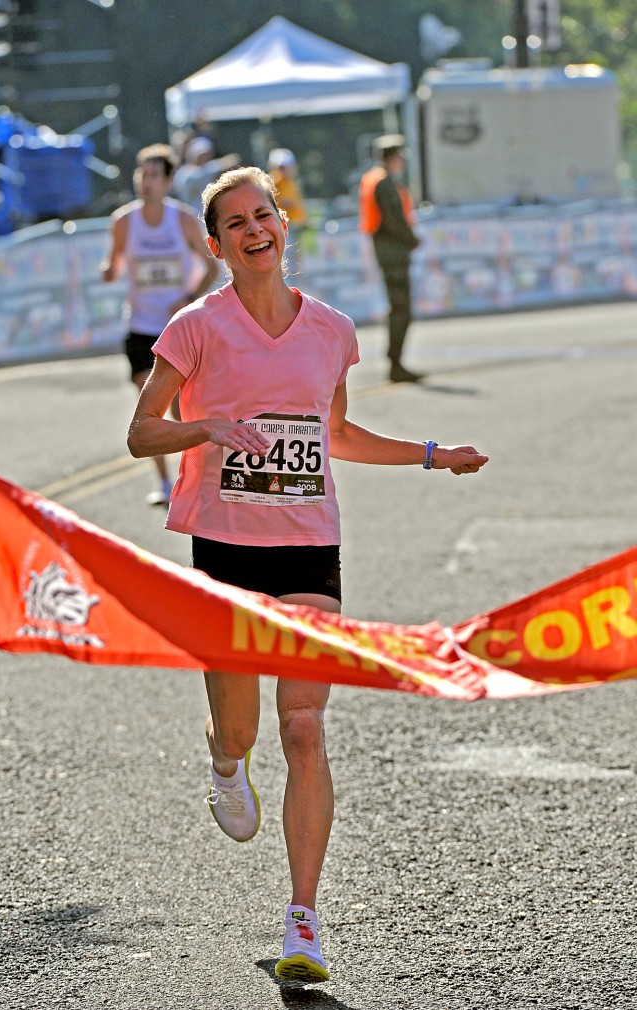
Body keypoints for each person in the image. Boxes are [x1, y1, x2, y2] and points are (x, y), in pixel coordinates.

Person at [126, 166, 488, 984]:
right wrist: (207, 425)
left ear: (283, 226)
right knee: (246, 731)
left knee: (304, 726)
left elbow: (337, 436)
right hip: (224, 548)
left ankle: (304, 922)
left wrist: (433, 454)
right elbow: (142, 433)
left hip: (307, 546)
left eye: (266, 215)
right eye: (237, 223)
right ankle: (223, 759)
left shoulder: (331, 330)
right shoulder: (195, 328)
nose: (256, 230)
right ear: (217, 245)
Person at [101, 143, 219, 506]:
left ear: (168, 181)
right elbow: (114, 266)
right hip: (139, 325)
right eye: (142, 173)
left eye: (154, 174)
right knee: (148, 406)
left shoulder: (181, 220)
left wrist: (189, 297)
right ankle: (164, 482)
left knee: (182, 408)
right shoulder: (124, 221)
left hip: (176, 326)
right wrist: (106, 272)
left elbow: (212, 266)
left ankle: (194, 475)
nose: (146, 181)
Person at [359, 134, 422, 383]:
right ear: (392, 158)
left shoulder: (373, 179)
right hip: (393, 254)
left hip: (387, 253)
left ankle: (395, 361)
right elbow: (394, 220)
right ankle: (396, 363)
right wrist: (413, 241)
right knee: (401, 309)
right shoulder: (384, 183)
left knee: (398, 308)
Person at [267, 148, 308, 275]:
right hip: (282, 227)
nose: (283, 170)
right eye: (281, 167)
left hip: (294, 226)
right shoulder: (273, 181)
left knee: (295, 262)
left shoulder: (291, 182)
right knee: (286, 261)